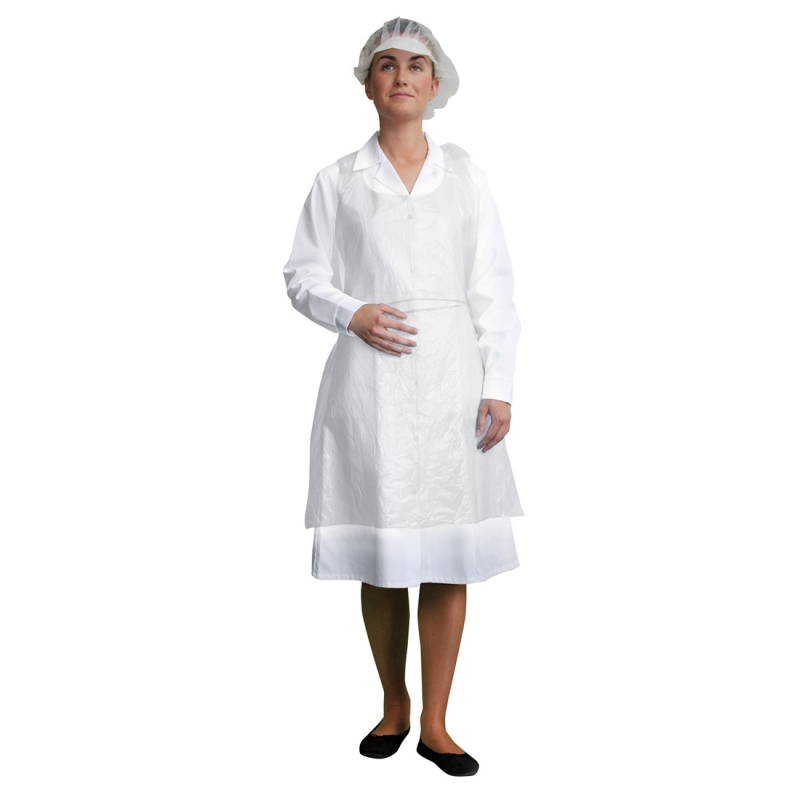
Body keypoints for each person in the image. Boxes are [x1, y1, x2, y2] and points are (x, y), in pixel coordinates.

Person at [282, 18, 523, 777]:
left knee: (448, 551)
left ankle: (438, 723)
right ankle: (394, 705)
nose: (402, 77)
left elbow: (493, 288)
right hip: (371, 387)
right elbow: (302, 274)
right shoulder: (338, 180)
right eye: (386, 65)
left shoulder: (466, 177)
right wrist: (350, 311)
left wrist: (499, 385)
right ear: (368, 84)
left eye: (416, 65)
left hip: (452, 381)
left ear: (436, 83)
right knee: (383, 551)